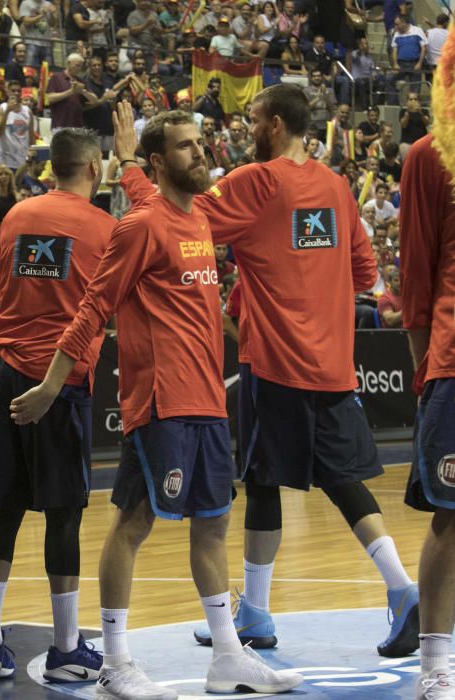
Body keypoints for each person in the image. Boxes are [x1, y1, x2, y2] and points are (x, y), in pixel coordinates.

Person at [9, 107, 303, 699]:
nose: (200, 153)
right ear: (158, 160)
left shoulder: (197, 221)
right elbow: (92, 307)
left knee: (215, 526)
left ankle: (227, 656)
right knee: (132, 525)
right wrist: (50, 385)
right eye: (186, 147)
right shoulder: (140, 225)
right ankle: (116, 664)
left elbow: (163, 210)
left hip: (208, 402)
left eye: (200, 142)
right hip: (160, 400)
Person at [117, 83, 419, 659]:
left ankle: (255, 611)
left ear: (274, 125)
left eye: (253, 118)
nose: (246, 125)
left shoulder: (256, 181)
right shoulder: (336, 187)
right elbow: (362, 271)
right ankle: (402, 591)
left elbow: (179, 214)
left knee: (260, 481)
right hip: (332, 364)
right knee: (342, 481)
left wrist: (133, 165)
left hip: (275, 361)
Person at [0, 128, 115, 683]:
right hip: (57, 379)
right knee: (63, 513)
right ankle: (65, 648)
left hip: (3, 369)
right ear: (94, 167)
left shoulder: (16, 216)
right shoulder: (104, 227)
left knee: (4, 510)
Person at [400, 133, 455, 700]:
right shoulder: (428, 155)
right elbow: (417, 267)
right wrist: (423, 369)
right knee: (452, 517)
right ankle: (435, 663)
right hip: (453, 357)